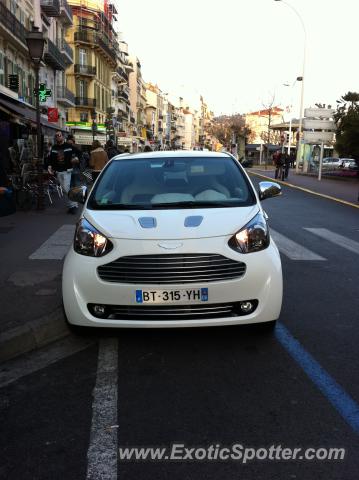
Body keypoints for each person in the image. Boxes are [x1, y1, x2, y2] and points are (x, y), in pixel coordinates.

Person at [48, 131, 79, 214]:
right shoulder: (54, 148)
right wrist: (50, 166)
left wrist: (76, 158)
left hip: (67, 170)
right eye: (56, 136)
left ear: (62, 137)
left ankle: (73, 205)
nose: (58, 137)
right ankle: (72, 204)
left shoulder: (68, 146)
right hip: (58, 171)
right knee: (65, 189)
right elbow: (51, 158)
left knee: (65, 188)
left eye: (59, 135)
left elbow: (78, 152)